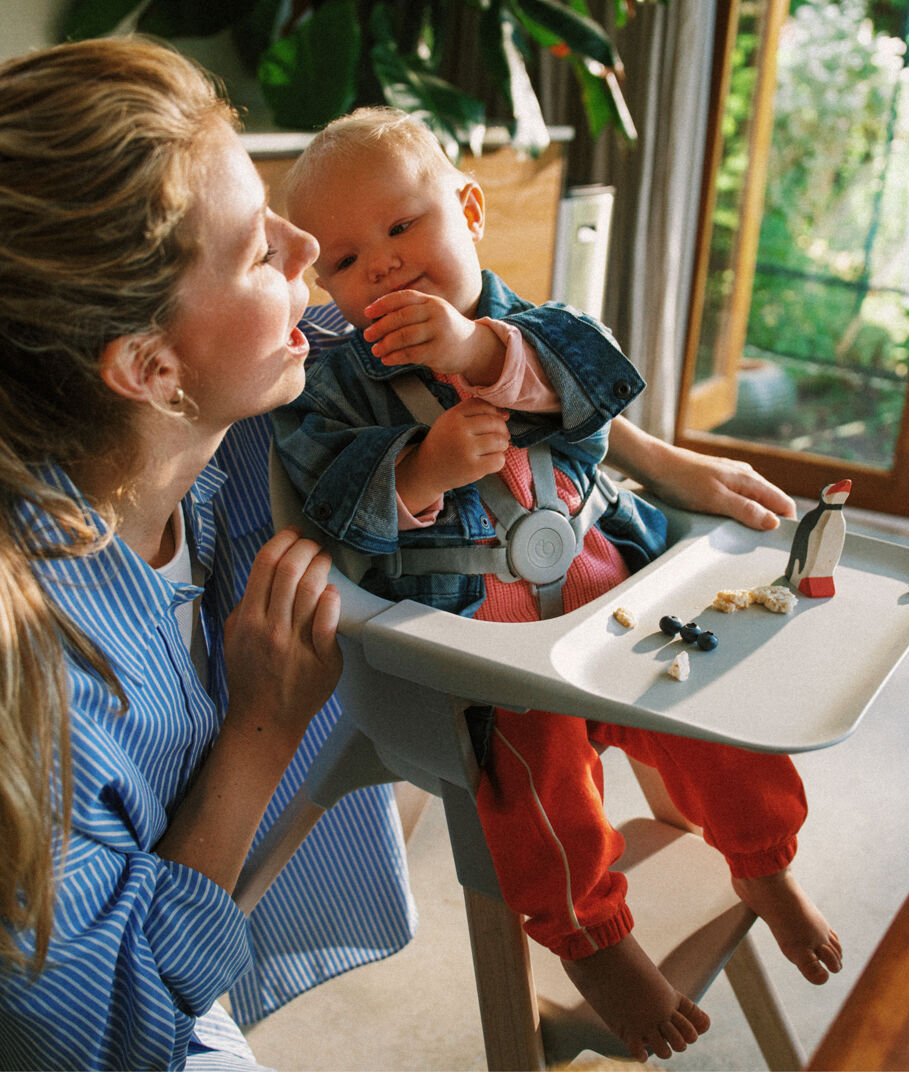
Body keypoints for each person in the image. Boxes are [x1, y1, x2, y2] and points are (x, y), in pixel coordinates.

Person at [274, 106, 843, 1063]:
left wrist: (476, 354)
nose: (378, 265)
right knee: (537, 799)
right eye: (342, 260)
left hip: (618, 607)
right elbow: (329, 504)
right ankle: (594, 941)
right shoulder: (335, 385)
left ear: (469, 209)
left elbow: (599, 389)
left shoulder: (536, 328)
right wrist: (417, 473)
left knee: (716, 720)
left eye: (403, 227)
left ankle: (763, 863)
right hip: (493, 652)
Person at [0, 42, 417, 1070]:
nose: (304, 243)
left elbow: (487, 349)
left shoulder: (223, 429)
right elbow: (97, 1029)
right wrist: (260, 730)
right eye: (257, 252)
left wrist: (653, 456)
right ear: (146, 365)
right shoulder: (35, 675)